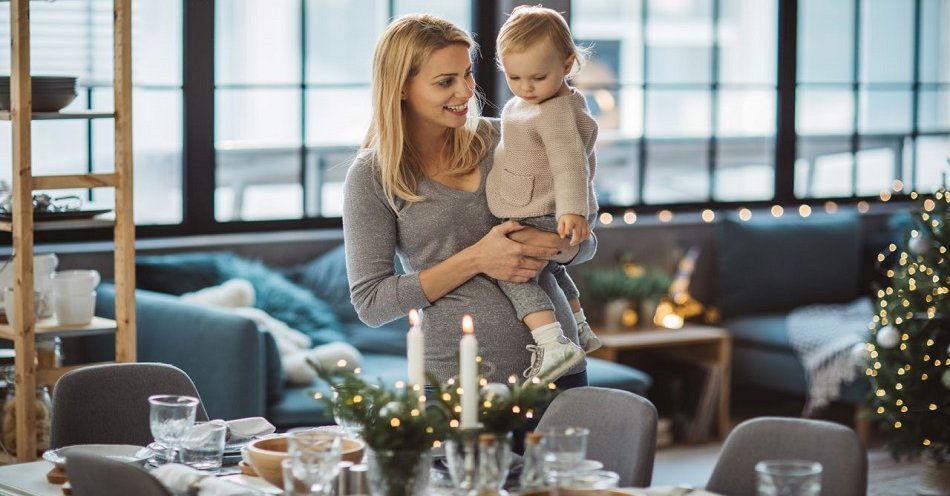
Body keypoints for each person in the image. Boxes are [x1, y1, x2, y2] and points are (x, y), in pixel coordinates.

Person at [342, 14, 597, 389]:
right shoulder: (373, 176)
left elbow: (585, 241)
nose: (465, 91)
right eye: (445, 82)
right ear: (400, 88)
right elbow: (371, 302)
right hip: (457, 385)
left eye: (467, 74)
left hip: (560, 373)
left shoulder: (506, 136)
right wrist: (478, 258)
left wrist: (557, 246)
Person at [486, 5, 602, 382]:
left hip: (544, 207)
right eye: (514, 77)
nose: (526, 87)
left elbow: (571, 162)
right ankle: (579, 323)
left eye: (538, 76)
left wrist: (572, 211)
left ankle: (552, 342)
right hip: (536, 201)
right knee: (549, 269)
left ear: (568, 64)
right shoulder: (536, 103)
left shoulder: (555, 111)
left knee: (513, 271)